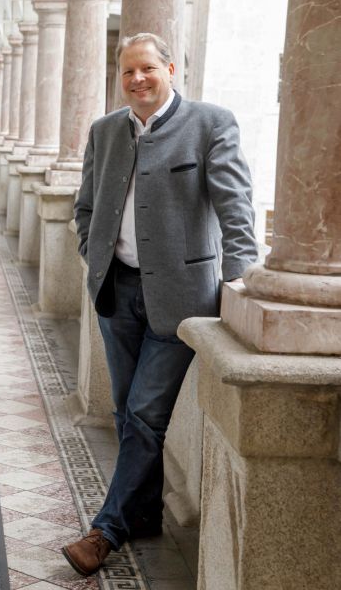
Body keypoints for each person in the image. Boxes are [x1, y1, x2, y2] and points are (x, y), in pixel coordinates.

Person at [64, 33, 257, 576]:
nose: (137, 80)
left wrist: (239, 279)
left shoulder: (210, 123)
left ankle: (106, 531)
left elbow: (236, 209)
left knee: (145, 413)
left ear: (171, 70)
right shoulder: (105, 131)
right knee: (126, 410)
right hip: (117, 292)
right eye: (128, 71)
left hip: (182, 300)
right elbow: (85, 205)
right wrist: (93, 252)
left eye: (147, 68)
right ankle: (144, 513)